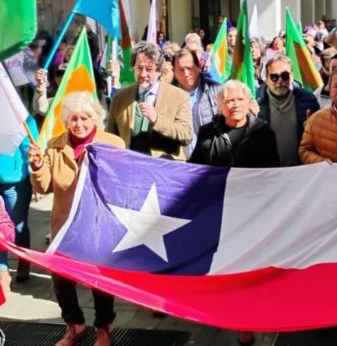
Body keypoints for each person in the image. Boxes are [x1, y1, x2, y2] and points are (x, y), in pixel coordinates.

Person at [29, 93, 125, 346]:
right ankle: (75, 325)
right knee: (61, 279)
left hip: (99, 226)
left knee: (100, 281)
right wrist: (38, 167)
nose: (79, 124)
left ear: (95, 118)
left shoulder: (113, 143)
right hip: (65, 227)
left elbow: (121, 184)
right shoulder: (54, 145)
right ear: (66, 121)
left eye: (84, 118)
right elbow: (45, 186)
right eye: (73, 119)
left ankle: (104, 328)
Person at [191, 80, 279, 345]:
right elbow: (193, 169)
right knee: (222, 266)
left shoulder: (263, 132)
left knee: (247, 268)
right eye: (228, 101)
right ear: (219, 105)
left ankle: (245, 321)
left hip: (251, 213)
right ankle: (221, 311)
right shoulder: (208, 131)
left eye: (239, 100)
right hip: (218, 212)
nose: (234, 105)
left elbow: (273, 174)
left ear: (248, 101)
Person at [107, 42, 193, 160]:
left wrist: (157, 120)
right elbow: (111, 137)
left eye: (149, 69)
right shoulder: (120, 98)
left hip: (165, 171)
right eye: (139, 68)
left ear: (159, 71)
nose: (143, 74)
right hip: (130, 169)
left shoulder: (179, 97)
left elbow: (186, 135)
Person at [256, 54, 320, 166]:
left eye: (285, 76)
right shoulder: (255, 101)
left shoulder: (308, 100)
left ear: (292, 76)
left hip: (299, 170)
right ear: (266, 78)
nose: (280, 81)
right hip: (268, 170)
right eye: (274, 77)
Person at [0, 116, 38, 292]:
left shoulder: (21, 117)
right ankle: (2, 269)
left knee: (18, 225)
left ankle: (24, 259)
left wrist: (34, 175)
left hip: (15, 181)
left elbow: (31, 147)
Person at [173, 49, 219, 158]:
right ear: (174, 71)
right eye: (180, 69)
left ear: (198, 67)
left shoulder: (217, 91)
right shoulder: (167, 95)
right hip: (182, 161)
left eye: (189, 68)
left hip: (211, 160)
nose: (186, 74)